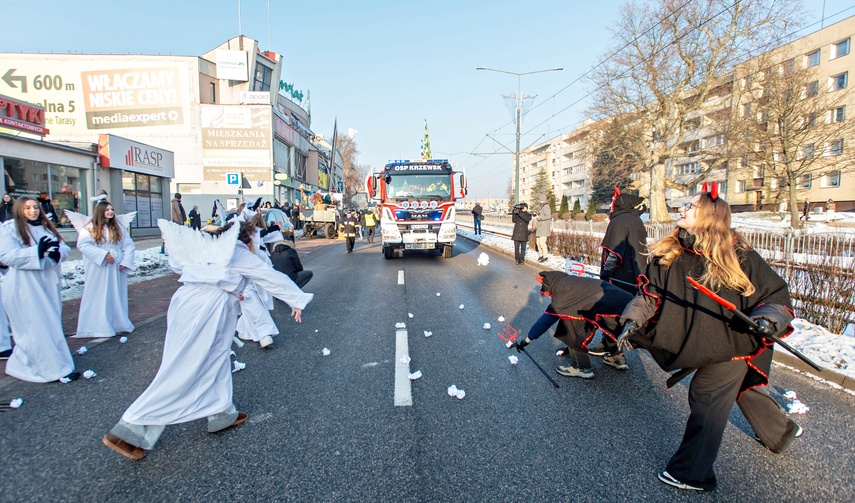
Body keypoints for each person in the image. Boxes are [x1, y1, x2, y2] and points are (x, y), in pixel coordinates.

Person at [616, 183, 801, 492]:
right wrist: (631, 320)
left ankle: (693, 473)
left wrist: (768, 319)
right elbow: (650, 295)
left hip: (734, 343)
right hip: (698, 339)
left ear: (710, 216)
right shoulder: (670, 253)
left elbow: (775, 297)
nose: (683, 209)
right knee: (741, 390)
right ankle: (780, 433)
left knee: (707, 395)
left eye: (691, 206)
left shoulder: (738, 255)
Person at [102, 219, 313, 460]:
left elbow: (177, 265)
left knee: (215, 358)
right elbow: (268, 275)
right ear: (246, 238)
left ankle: (221, 411)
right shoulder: (236, 252)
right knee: (186, 366)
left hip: (185, 301)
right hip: (209, 307)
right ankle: (130, 428)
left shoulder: (207, 248)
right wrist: (296, 300)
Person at [0, 196, 76, 383]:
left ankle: (55, 363)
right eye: (27, 208)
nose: (33, 211)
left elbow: (63, 247)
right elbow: (8, 256)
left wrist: (58, 254)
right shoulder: (10, 228)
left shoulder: (45, 227)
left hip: (46, 283)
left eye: (35, 207)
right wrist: (36, 252)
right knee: (35, 326)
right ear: (19, 210)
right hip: (23, 285)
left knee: (50, 324)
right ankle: (50, 369)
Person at [515, 272, 634, 379]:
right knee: (607, 326)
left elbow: (546, 320)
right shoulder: (569, 281)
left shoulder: (563, 293)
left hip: (611, 302)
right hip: (626, 302)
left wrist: (527, 340)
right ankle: (616, 358)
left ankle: (581, 367)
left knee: (570, 327)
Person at [585, 187, 648, 363]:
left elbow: (614, 252)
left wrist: (606, 274)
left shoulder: (619, 221)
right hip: (634, 274)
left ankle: (613, 351)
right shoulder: (635, 219)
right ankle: (613, 348)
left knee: (611, 311)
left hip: (618, 276)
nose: (612, 204)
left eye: (614, 201)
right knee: (622, 309)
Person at [73, 201, 136, 338]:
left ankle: (117, 323)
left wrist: (126, 261)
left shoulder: (118, 227)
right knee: (100, 293)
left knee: (115, 293)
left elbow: (129, 245)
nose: (110, 212)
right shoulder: (90, 228)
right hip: (100, 267)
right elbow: (83, 245)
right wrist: (103, 255)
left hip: (116, 266)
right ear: (100, 211)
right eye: (107, 210)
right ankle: (98, 326)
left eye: (112, 209)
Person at [535, 194, 551, 263]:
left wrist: (539, 218)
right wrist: (537, 214)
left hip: (544, 228)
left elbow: (548, 216)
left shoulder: (546, 207)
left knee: (542, 243)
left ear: (542, 199)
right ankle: (541, 255)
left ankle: (545, 256)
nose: (539, 201)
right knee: (538, 242)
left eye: (539, 199)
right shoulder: (543, 206)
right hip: (540, 227)